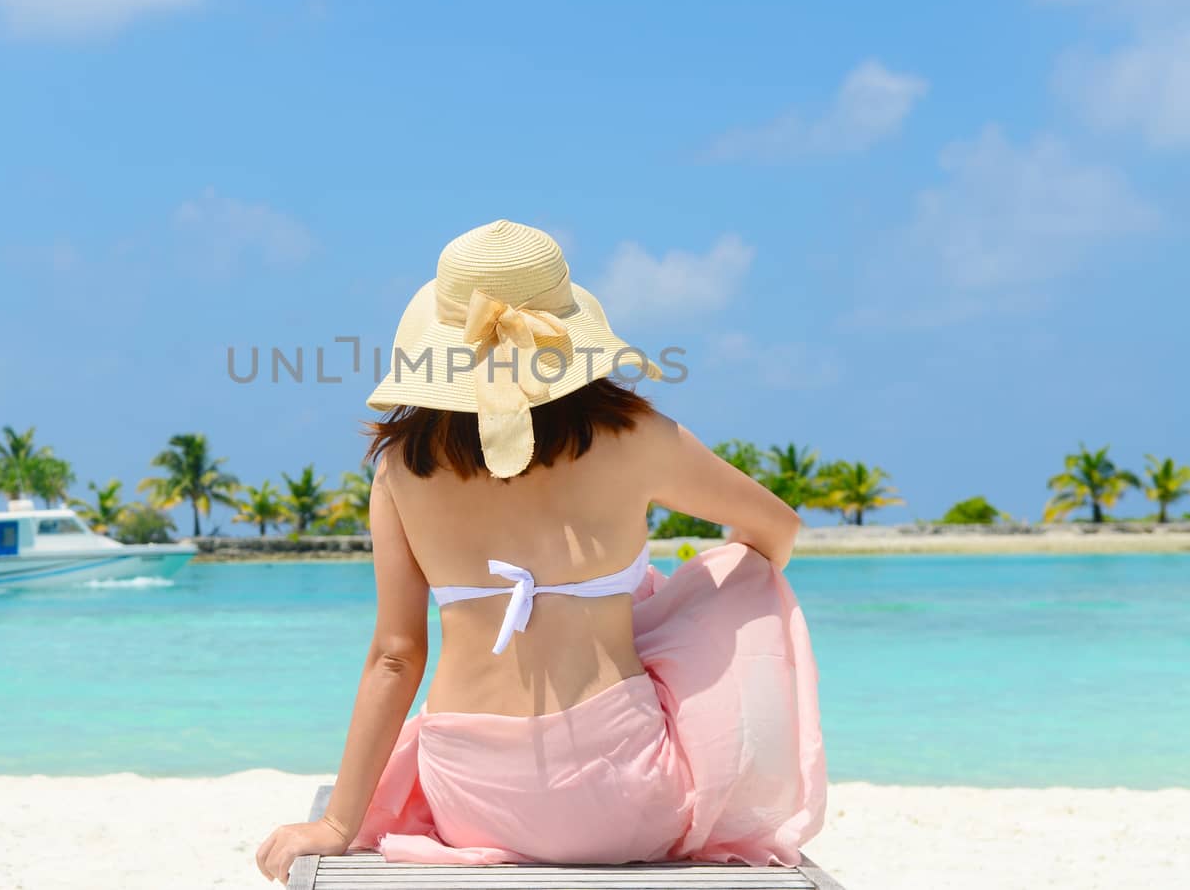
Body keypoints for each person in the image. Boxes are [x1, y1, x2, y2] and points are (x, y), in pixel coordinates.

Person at [256, 219, 825, 883]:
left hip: (470, 799)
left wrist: (336, 825)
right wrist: (671, 617)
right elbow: (777, 530)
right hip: (624, 801)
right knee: (740, 567)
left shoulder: (400, 468)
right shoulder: (636, 436)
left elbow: (396, 655)